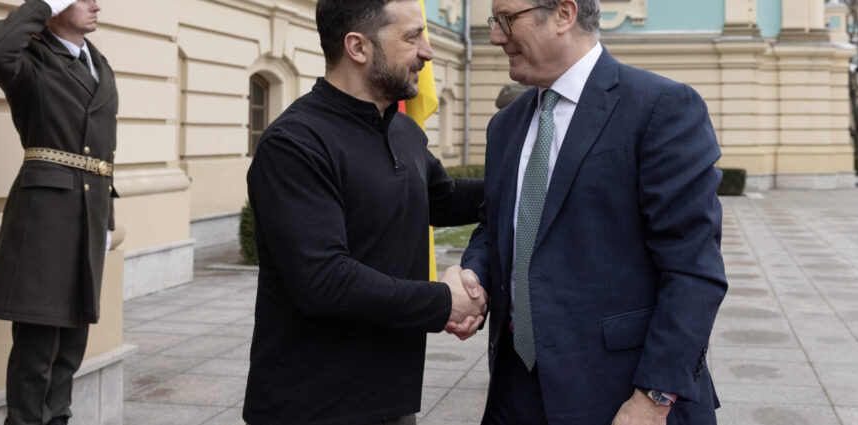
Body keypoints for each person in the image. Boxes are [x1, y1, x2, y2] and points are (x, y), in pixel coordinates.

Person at [459, 0, 728, 424]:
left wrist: (653, 400)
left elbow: (693, 271)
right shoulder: (504, 126)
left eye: (507, 20)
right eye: (495, 21)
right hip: (514, 391)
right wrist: (472, 277)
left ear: (564, 14)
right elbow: (494, 228)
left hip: (621, 397)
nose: (495, 37)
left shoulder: (661, 107)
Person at [242, 0, 486, 424]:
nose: (427, 52)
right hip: (312, 406)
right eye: (412, 37)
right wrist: (443, 302)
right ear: (358, 47)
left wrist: (531, 185)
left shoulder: (402, 129)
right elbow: (325, 279)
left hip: (391, 399)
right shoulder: (295, 143)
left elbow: (442, 198)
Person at [0, 0, 117, 423]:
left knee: (70, 347)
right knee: (36, 351)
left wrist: (106, 220)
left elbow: (103, 153)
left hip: (88, 215)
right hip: (45, 216)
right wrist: (44, 3)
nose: (96, 5)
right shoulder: (32, 59)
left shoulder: (98, 63)